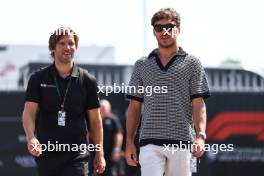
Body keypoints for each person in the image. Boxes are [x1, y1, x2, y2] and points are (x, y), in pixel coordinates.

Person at [125, 8, 210, 176]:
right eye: (159, 27)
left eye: (169, 27)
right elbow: (134, 107)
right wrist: (129, 142)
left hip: (183, 141)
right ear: (153, 32)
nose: (164, 31)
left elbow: (198, 103)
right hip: (149, 141)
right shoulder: (141, 65)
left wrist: (200, 135)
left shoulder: (193, 63)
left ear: (178, 29)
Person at [22, 27, 105, 176]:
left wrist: (99, 153)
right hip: (47, 153)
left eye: (71, 43)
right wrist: (31, 137)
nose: (67, 47)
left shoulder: (87, 80)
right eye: (62, 43)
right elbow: (29, 112)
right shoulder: (38, 78)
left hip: (77, 154)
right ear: (53, 48)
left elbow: (95, 121)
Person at [89, 99, 123, 176]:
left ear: (109, 109)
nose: (103, 110)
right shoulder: (93, 120)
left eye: (104, 108)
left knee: (110, 172)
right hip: (94, 152)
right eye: (101, 108)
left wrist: (116, 150)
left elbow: (119, 135)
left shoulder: (113, 119)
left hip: (109, 153)